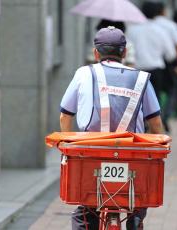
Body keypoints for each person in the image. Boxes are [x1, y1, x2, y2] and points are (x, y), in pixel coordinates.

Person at [60, 26, 163, 230]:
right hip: (131, 155)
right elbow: (156, 123)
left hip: (89, 153)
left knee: (85, 210)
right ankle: (135, 218)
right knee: (137, 199)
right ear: (124, 52)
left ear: (95, 52)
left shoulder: (83, 73)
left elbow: (65, 115)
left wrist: (66, 147)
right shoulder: (141, 78)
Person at [127, 1, 176, 103]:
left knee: (135, 101)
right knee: (154, 101)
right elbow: (171, 55)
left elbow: (126, 51)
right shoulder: (161, 31)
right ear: (157, 13)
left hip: (136, 70)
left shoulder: (132, 30)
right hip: (156, 71)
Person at [153, 2, 177, 132]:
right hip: (168, 64)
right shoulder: (170, 26)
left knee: (155, 93)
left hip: (150, 64)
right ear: (163, 11)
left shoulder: (147, 25)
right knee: (172, 90)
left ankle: (155, 118)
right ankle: (164, 116)